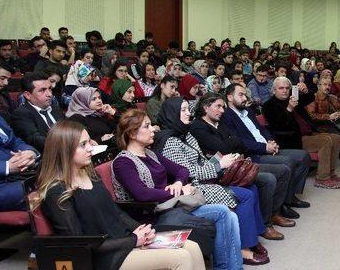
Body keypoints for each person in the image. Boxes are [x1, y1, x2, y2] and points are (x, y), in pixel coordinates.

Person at [33, 121, 205, 270]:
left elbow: (116, 212)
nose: (90, 148)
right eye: (83, 145)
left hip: (124, 240)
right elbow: (79, 244)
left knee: (192, 247)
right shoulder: (57, 191)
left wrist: (139, 230)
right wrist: (133, 240)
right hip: (106, 256)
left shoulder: (90, 175)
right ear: (64, 150)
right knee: (181, 257)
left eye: (89, 143)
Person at [112, 109, 243, 269]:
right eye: (147, 126)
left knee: (228, 214)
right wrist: (178, 191)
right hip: (152, 216)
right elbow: (142, 194)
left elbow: (182, 171)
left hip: (171, 207)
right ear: (132, 134)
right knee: (223, 214)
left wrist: (178, 183)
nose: (153, 129)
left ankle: (230, 267)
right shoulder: (123, 162)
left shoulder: (150, 154)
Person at [155, 97, 269, 265]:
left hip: (205, 180)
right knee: (245, 195)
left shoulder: (185, 134)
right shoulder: (170, 141)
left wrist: (220, 162)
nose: (189, 113)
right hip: (192, 188)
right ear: (173, 114)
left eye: (188, 109)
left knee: (250, 187)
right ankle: (244, 247)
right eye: (184, 110)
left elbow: (201, 161)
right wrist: (218, 166)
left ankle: (252, 238)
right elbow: (187, 172)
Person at [190, 94, 292, 241]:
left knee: (283, 170)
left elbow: (239, 143)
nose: (222, 110)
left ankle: (273, 214)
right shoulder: (198, 126)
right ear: (206, 108)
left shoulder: (219, 123)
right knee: (268, 179)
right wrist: (232, 142)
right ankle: (266, 224)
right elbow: (223, 146)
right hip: (220, 172)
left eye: (223, 107)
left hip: (239, 164)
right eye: (218, 106)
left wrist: (232, 144)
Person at [221, 83, 311, 219]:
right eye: (240, 95)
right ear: (230, 97)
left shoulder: (248, 111)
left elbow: (262, 129)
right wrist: (265, 148)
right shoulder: (227, 116)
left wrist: (270, 141)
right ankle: (282, 205)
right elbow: (240, 142)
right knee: (288, 161)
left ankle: (290, 196)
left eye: (245, 94)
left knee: (303, 156)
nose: (244, 97)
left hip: (266, 147)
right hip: (254, 154)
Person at [263, 77, 340, 189]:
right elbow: (279, 125)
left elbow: (310, 97)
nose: (285, 90)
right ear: (274, 90)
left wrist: (306, 91)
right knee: (325, 141)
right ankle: (322, 178)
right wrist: (289, 109)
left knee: (336, 138)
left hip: (308, 132)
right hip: (292, 138)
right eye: (281, 88)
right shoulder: (269, 105)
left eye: (287, 88)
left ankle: (331, 173)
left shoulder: (292, 98)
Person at [11, 72, 65, 151]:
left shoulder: (55, 108)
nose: (49, 94)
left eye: (49, 88)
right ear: (27, 95)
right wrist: (68, 143)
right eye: (42, 90)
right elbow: (35, 140)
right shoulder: (21, 114)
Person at [0, 114, 39, 211]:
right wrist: (6, 167)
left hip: (21, 173)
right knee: (49, 188)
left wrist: (30, 152)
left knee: (64, 173)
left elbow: (15, 141)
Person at [66, 87, 119, 153]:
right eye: (93, 99)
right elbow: (80, 144)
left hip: (111, 149)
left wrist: (112, 112)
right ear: (82, 101)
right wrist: (100, 140)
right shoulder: (76, 119)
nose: (99, 101)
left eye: (99, 97)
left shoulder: (98, 113)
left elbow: (120, 127)